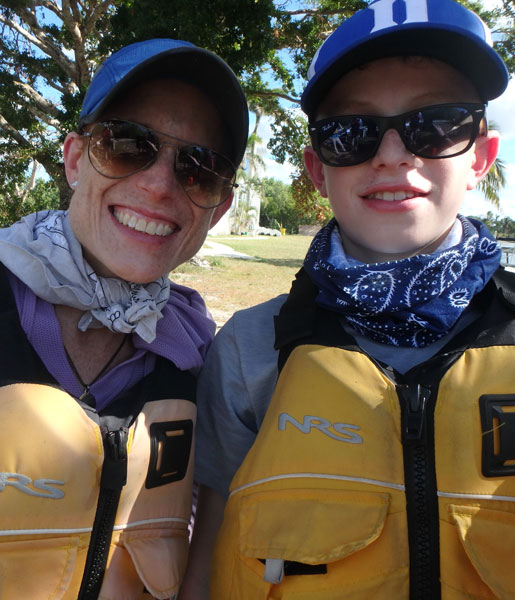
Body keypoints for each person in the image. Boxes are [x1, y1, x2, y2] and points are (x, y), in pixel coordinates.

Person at [182, 0, 515, 598]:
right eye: (351, 133)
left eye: (437, 125)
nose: (392, 154)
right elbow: (208, 557)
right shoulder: (249, 352)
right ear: (318, 170)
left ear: (481, 159)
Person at [0, 38, 248, 599]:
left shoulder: (198, 354)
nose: (159, 186)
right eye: (127, 145)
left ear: (218, 208)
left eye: (199, 168)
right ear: (74, 159)